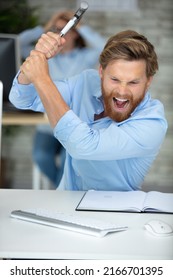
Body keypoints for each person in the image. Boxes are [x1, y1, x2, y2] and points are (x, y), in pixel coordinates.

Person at [9, 29, 168, 191]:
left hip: (114, 212)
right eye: (114, 79)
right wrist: (36, 59)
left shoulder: (152, 122)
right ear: (101, 71)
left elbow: (83, 146)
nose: (122, 91)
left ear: (148, 81)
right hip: (64, 203)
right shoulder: (85, 82)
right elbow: (22, 98)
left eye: (133, 82)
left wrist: (42, 79)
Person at [19, 11, 105, 187]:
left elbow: (104, 47)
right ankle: (61, 189)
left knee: (70, 163)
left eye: (65, 29)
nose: (61, 33)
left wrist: (80, 26)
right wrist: (43, 30)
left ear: (75, 33)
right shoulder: (43, 56)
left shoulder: (85, 56)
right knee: (41, 156)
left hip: (75, 124)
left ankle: (60, 194)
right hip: (47, 125)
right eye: (57, 29)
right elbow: (16, 45)